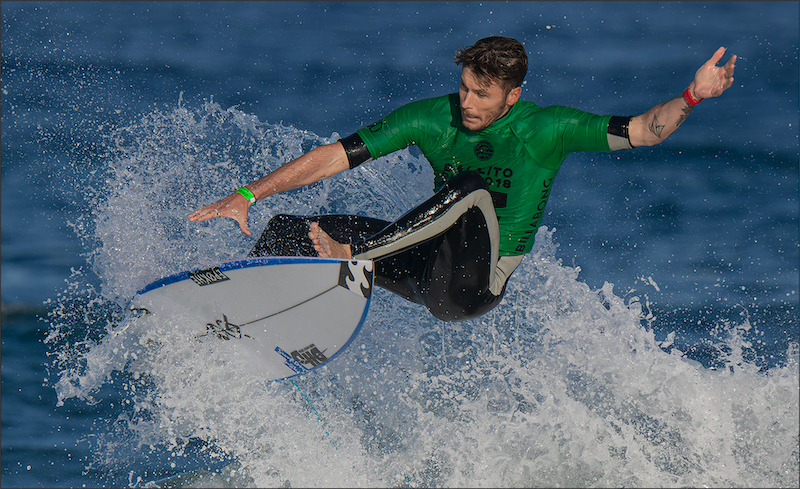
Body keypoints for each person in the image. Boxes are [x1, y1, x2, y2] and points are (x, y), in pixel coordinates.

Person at [188, 36, 736, 321]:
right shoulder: (432, 115)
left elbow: (645, 130)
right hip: (426, 265)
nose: (468, 104)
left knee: (469, 190)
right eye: (465, 89)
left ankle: (352, 254)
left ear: (512, 96)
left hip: (475, 287)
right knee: (289, 229)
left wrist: (693, 95)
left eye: (483, 95)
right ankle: (241, 314)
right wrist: (245, 194)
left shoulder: (548, 129)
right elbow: (335, 155)